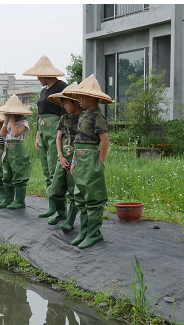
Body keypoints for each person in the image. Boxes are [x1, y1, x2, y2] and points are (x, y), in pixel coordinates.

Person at [64, 75, 112, 249]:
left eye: (82, 97)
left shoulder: (97, 116)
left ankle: (93, 233)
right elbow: (77, 142)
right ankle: (84, 231)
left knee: (93, 196)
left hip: (91, 158)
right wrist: (75, 161)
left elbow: (104, 140)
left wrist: (100, 163)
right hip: (80, 160)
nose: (79, 100)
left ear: (92, 97)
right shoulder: (84, 115)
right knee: (80, 195)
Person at [23, 56, 68, 218]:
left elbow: (65, 112)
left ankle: (60, 209)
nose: (37, 78)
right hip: (43, 132)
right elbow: (40, 114)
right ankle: (52, 205)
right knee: (46, 168)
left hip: (55, 131)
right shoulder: (44, 90)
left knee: (55, 168)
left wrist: (60, 134)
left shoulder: (62, 87)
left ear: (44, 74)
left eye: (38, 76)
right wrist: (37, 136)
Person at [45, 83, 82, 230]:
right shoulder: (64, 118)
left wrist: (75, 158)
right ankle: (61, 213)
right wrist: (60, 155)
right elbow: (58, 138)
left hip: (78, 155)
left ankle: (71, 220)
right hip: (63, 155)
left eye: (66, 103)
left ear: (75, 102)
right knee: (55, 188)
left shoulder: (84, 119)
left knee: (74, 189)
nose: (64, 106)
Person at [0, 95, 32, 210]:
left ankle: (19, 200)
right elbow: (2, 134)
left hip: (17, 149)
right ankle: (8, 198)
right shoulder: (8, 123)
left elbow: (16, 133)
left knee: (19, 173)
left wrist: (12, 120)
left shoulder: (24, 123)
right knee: (7, 173)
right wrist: (5, 122)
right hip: (7, 148)